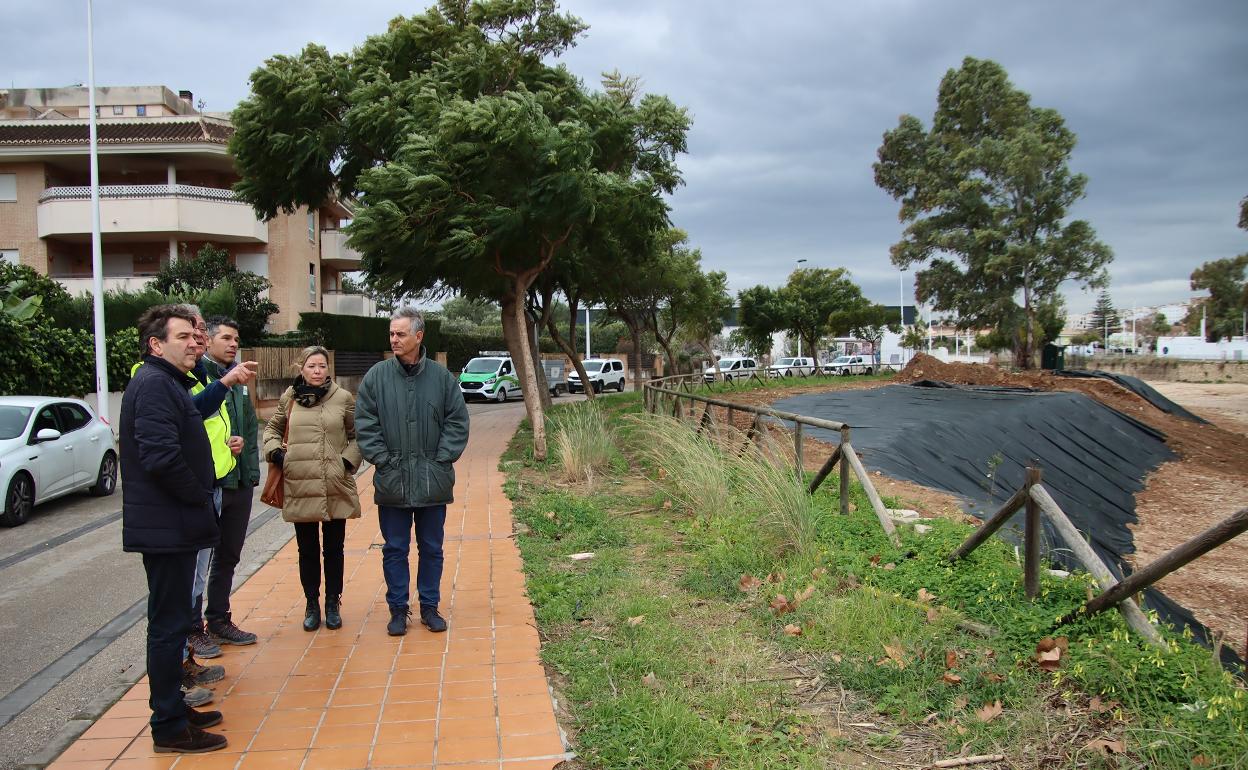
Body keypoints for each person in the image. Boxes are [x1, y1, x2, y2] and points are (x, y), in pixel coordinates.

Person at [121, 305, 227, 753]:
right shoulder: (153, 385)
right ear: (156, 344)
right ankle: (168, 725)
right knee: (167, 628)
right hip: (168, 526)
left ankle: (175, 709)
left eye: (194, 336)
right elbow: (161, 458)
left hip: (175, 524)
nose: (194, 343)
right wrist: (200, 498)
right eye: (182, 336)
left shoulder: (168, 383)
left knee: (174, 621)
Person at [355, 308, 469, 636]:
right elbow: (365, 423)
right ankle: (398, 609)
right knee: (394, 548)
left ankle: (430, 607)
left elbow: (457, 420)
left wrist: (441, 459)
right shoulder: (376, 377)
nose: (394, 339)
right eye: (391, 333)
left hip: (432, 482)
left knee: (431, 547)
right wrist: (384, 461)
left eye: (400, 334)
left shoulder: (441, 378)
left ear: (418, 336)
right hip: (393, 481)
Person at [263, 346, 363, 632]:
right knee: (306, 550)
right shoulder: (289, 398)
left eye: (322, 366)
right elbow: (271, 430)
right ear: (301, 368)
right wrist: (277, 454)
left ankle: (333, 603)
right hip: (300, 482)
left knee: (334, 549)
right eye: (312, 366)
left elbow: (357, 436)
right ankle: (311, 603)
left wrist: (346, 462)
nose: (317, 371)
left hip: (334, 483)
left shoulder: (343, 397)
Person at [200, 316, 260, 647]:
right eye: (226, 337)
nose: (233, 343)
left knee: (229, 554)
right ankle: (195, 630)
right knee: (199, 560)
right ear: (208, 341)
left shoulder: (238, 380)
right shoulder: (199, 377)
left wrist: (250, 472)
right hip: (212, 482)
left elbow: (250, 430)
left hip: (238, 481)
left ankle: (219, 619)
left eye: (236, 338)